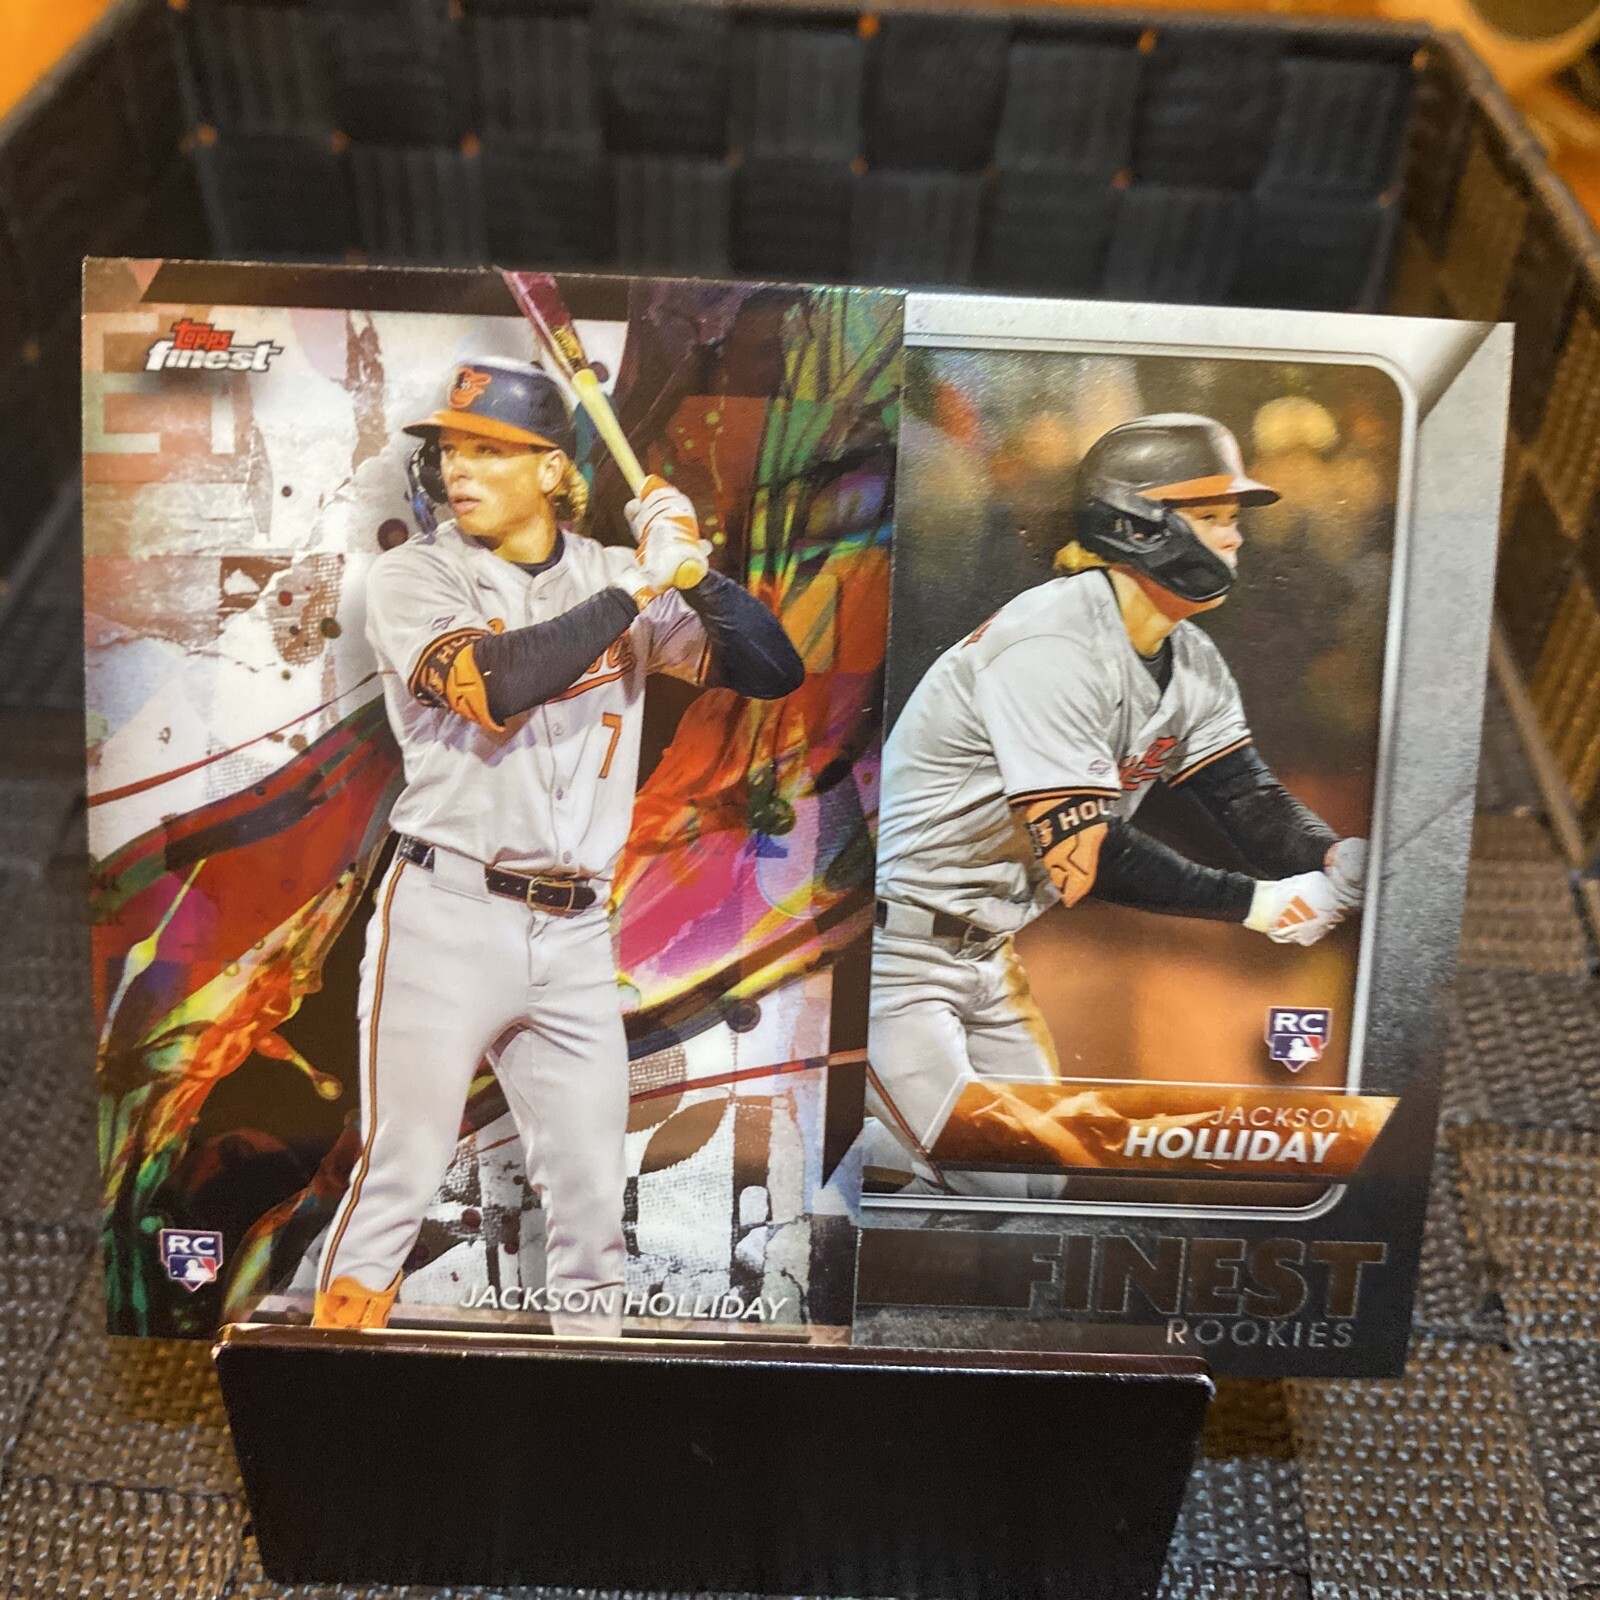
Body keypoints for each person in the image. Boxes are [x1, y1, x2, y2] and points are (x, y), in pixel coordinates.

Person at [313, 356, 804, 1330]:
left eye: (489, 450)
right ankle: (327, 1376)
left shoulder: (615, 576)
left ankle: (593, 1386)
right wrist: (640, 584)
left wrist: (695, 571)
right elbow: (498, 681)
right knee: (401, 1173)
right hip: (447, 914)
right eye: (452, 448)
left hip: (577, 932)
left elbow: (771, 667)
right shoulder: (413, 574)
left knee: (590, 1202)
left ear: (552, 470)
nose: (458, 468)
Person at [867, 413, 1368, 1197]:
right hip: (889, 952)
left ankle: (857, 1154)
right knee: (988, 1180)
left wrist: (1332, 854)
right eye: (1212, 516)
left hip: (985, 952)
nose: (1234, 537)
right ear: (1136, 527)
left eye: (1232, 518)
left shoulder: (1189, 656)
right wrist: (1258, 905)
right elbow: (1088, 857)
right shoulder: (1052, 643)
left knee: (1038, 1183)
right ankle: (829, 1145)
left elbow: (1245, 793)